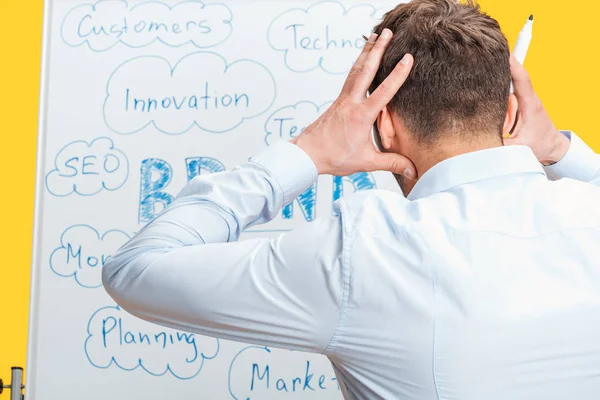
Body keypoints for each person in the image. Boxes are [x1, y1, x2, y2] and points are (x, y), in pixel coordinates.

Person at [103, 0, 600, 398]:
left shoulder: (365, 252)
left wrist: (307, 151)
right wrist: (557, 149)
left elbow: (137, 269)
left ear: (383, 124)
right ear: (511, 112)